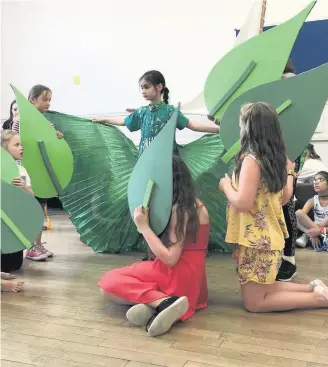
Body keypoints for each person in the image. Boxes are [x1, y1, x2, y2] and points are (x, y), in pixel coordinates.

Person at [219, 102, 328, 312]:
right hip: (267, 236)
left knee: (255, 303)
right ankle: (313, 288)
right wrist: (290, 172)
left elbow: (243, 202)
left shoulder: (252, 159)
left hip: (256, 239)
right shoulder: (275, 158)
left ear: (250, 128)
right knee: (263, 288)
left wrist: (225, 186)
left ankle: (319, 299)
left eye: (241, 124)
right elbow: (285, 197)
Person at [97, 154, 210, 336]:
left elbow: (170, 258)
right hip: (194, 284)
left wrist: (143, 227)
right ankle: (154, 307)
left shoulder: (178, 210)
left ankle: (163, 302)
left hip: (175, 274)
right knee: (132, 276)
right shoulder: (197, 205)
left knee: (107, 283)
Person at [92, 70, 220, 154]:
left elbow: (193, 125)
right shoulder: (142, 112)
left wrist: (220, 130)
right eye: (141, 88)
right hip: (145, 160)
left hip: (169, 162)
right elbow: (124, 122)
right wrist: (104, 119)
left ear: (159, 87)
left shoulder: (171, 112)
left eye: (146, 87)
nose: (143, 91)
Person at [1, 130, 49, 261]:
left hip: (17, 219)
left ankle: (33, 246)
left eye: (21, 145)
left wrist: (26, 188)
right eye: (16, 145)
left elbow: (31, 198)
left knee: (15, 264)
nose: (21, 147)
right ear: (4, 149)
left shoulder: (22, 171)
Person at [28, 85, 64, 233]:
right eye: (44, 99)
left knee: (41, 203)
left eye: (49, 100)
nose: (48, 103)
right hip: (30, 170)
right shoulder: (24, 121)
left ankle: (37, 245)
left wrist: (54, 134)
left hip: (40, 170)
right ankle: (33, 245)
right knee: (32, 207)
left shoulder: (43, 120)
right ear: (32, 100)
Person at [295, 171, 328, 250]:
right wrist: (310, 232)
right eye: (314, 180)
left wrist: (319, 230)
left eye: (320, 180)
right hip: (312, 228)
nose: (316, 183)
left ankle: (312, 235)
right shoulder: (312, 200)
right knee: (298, 213)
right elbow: (298, 219)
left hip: (326, 228)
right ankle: (309, 235)